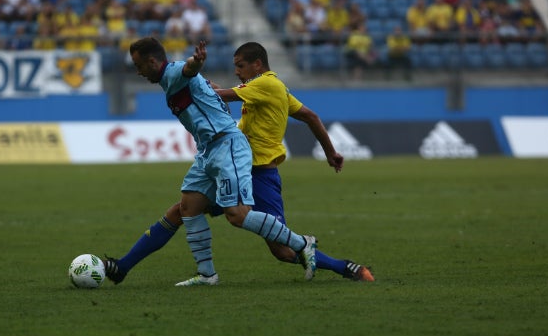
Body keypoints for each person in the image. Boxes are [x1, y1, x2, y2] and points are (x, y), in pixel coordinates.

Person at [103, 40, 375, 285]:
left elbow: (205, 81)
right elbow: (311, 117)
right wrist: (330, 152)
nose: (237, 71)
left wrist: (200, 76)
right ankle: (127, 267)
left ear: (257, 64)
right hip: (228, 160)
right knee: (184, 209)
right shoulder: (264, 90)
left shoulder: (267, 84)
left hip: (256, 170)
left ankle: (337, 263)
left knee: (281, 249)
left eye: (240, 65)